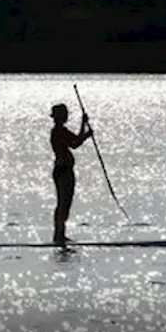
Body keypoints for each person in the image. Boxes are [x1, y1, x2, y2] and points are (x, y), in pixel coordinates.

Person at [49, 103, 93, 246]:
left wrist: (84, 126)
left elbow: (75, 141)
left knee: (65, 204)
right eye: (65, 114)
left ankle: (60, 234)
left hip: (64, 170)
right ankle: (59, 235)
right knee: (63, 203)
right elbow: (75, 143)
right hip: (63, 171)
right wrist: (85, 132)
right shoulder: (58, 132)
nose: (67, 116)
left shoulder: (60, 131)